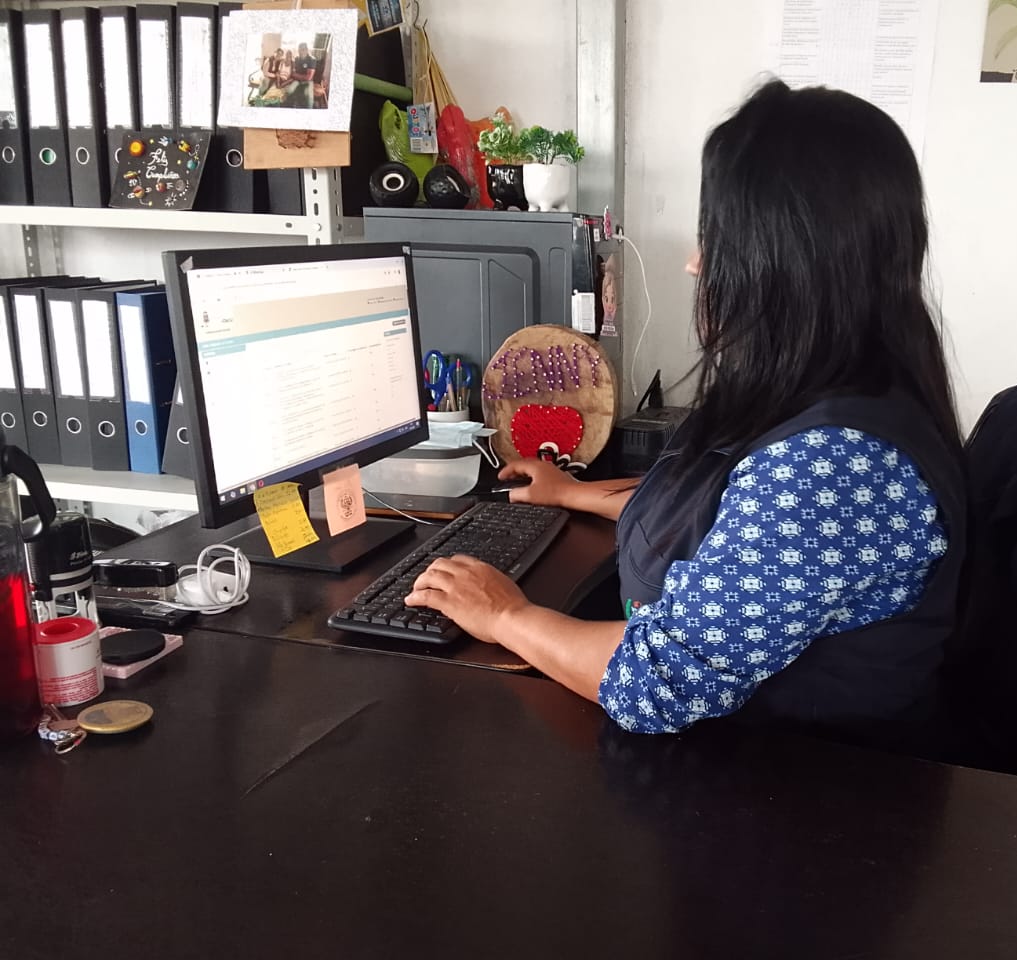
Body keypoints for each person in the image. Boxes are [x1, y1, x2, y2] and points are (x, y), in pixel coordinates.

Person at [405, 80, 968, 758]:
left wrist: (505, 615)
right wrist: (576, 494)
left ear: (785, 262)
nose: (695, 262)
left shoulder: (833, 466)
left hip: (791, 792)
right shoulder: (838, 391)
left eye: (716, 238)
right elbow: (734, 527)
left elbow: (656, 683)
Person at [282, 42, 317, 108]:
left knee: (309, 96)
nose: (301, 51)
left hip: (308, 82)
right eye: (300, 49)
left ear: (307, 49)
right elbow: (292, 73)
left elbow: (308, 78)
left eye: (303, 49)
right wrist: (297, 75)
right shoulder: (296, 59)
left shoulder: (312, 59)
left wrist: (296, 75)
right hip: (297, 80)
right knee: (289, 90)